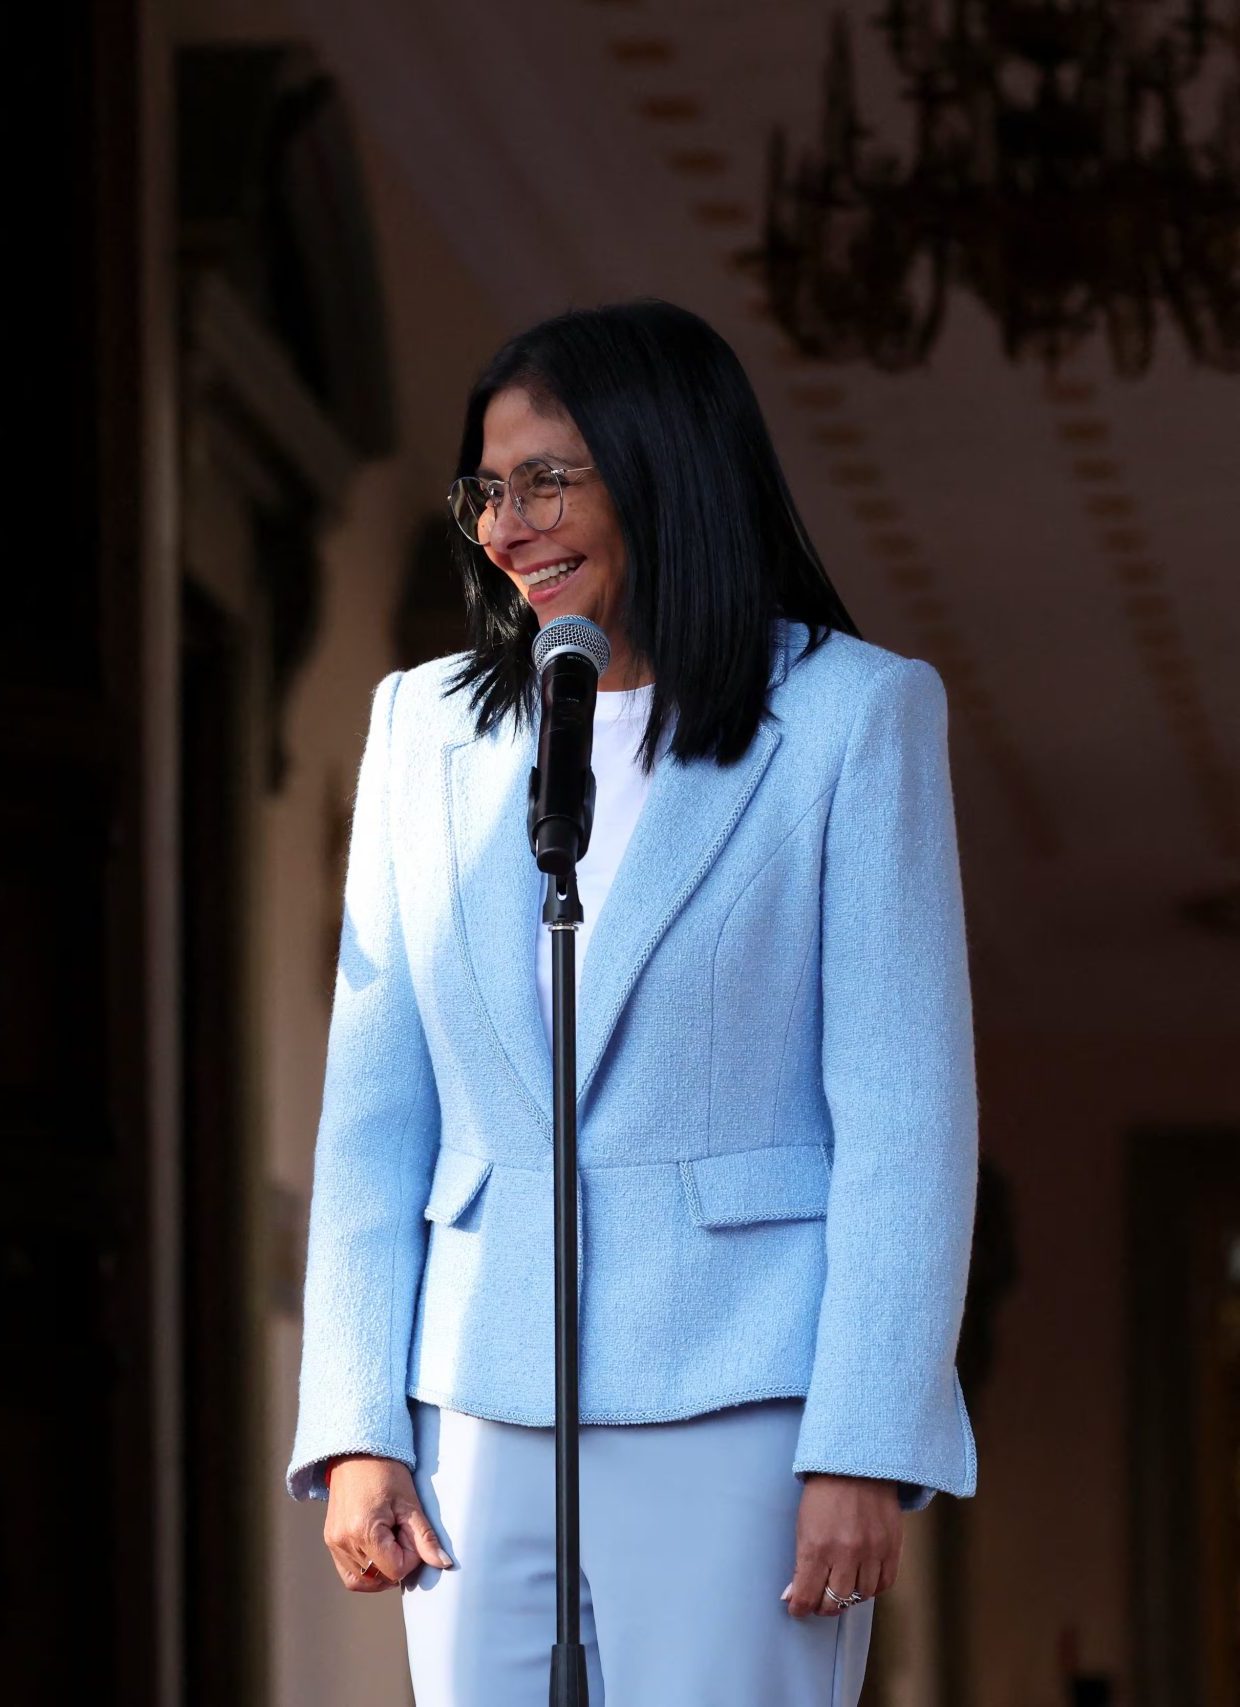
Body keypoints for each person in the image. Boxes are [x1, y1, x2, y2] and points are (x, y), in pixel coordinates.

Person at [289, 300, 976, 1703]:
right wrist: (361, 1418)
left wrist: (863, 1440)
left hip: (742, 1399)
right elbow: (373, 1110)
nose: (508, 524)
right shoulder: (422, 729)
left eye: (550, 478)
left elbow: (906, 1116)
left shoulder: (854, 719)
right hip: (473, 1404)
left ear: (668, 469)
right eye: (490, 487)